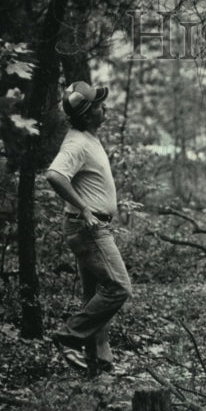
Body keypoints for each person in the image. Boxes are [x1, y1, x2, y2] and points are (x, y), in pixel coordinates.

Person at [46, 81, 131, 376]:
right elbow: (55, 175)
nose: (103, 106)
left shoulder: (88, 137)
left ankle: (99, 366)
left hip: (92, 226)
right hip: (88, 229)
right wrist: (84, 208)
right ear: (86, 114)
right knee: (119, 287)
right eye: (97, 104)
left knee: (96, 293)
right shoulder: (77, 143)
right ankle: (68, 336)